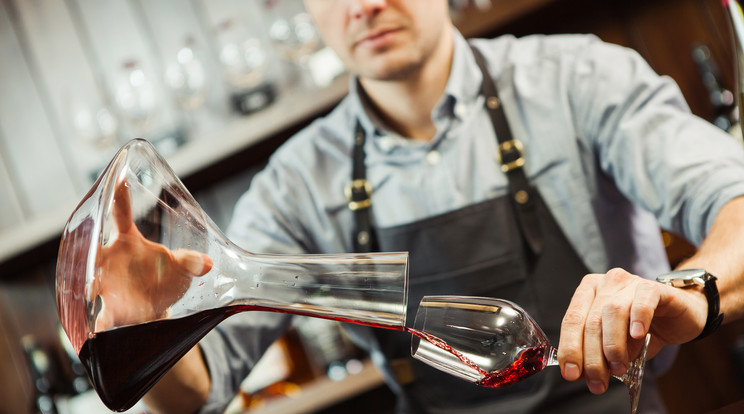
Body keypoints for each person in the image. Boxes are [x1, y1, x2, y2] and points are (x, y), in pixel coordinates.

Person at [132, 1, 744, 413]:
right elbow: (204, 383)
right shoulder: (296, 185)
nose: (362, 5)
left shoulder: (578, 79)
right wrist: (142, 333)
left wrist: (692, 291)